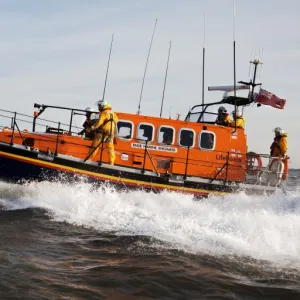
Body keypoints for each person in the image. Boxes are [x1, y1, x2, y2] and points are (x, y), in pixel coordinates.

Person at [87, 100, 118, 165]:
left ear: (102, 106)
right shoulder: (113, 113)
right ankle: (111, 163)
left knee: (94, 146)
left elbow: (99, 122)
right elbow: (116, 121)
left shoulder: (104, 112)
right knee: (110, 148)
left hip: (102, 133)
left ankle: (88, 160)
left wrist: (91, 128)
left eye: (99, 106)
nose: (98, 108)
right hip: (110, 134)